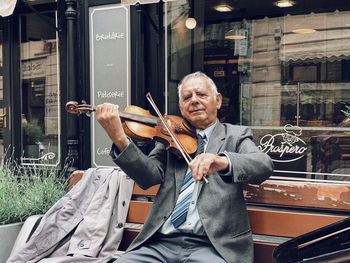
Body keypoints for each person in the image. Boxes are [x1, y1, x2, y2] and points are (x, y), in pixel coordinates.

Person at [96, 71, 274, 263]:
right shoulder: (169, 139)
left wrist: (222, 161)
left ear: (218, 100)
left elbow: (263, 165)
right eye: (187, 97)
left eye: (202, 95)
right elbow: (148, 178)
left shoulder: (235, 136)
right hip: (160, 244)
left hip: (212, 247)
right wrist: (120, 139)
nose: (194, 100)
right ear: (181, 107)